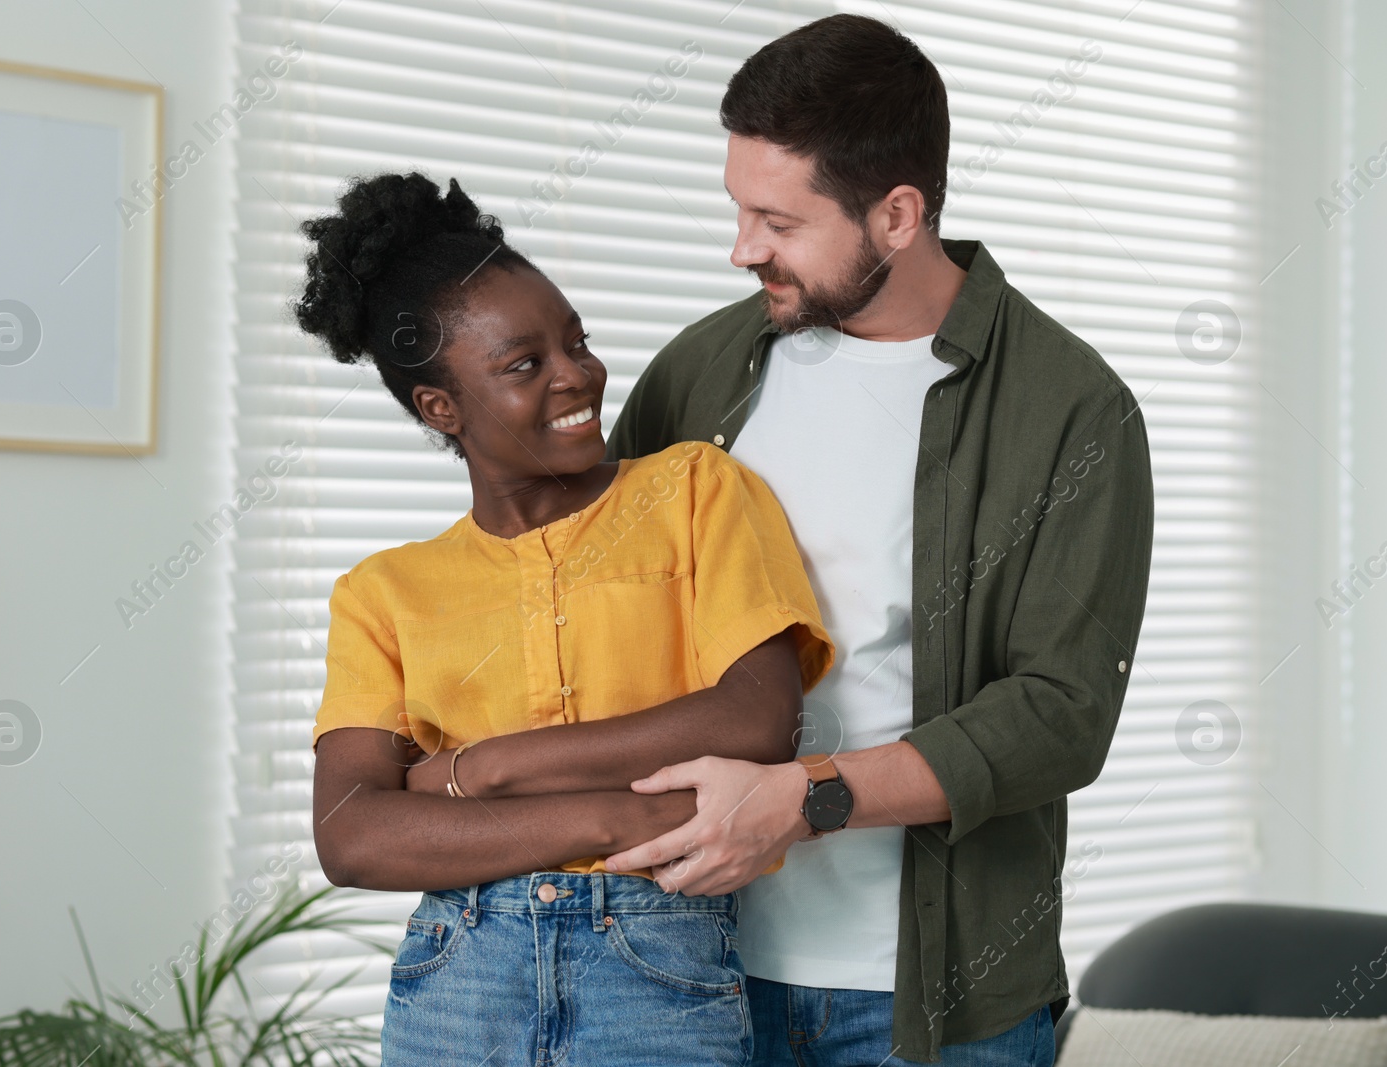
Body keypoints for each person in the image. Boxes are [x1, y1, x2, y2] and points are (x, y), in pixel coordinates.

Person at [454, 14, 1156, 1067]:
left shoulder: (1071, 409)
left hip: (927, 1005)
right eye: (738, 209)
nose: (742, 248)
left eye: (776, 220)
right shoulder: (705, 367)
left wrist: (806, 796)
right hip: (674, 966)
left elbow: (1060, 713)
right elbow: (587, 595)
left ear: (897, 214)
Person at [299, 171, 836, 1067]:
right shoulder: (384, 592)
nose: (577, 374)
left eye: (576, 341)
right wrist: (615, 821)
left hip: (658, 969)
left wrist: (483, 771)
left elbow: (757, 719)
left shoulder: (696, 491)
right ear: (441, 407)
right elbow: (353, 832)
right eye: (525, 364)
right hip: (457, 977)